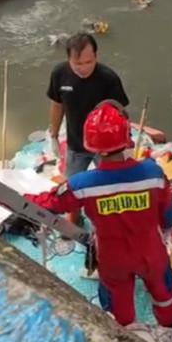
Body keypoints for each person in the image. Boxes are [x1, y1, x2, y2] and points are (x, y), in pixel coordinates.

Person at [24, 101, 172, 328]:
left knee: (119, 305)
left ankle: (128, 334)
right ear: (127, 138)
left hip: (112, 255)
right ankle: (169, 329)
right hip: (150, 250)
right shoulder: (152, 173)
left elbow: (48, 204)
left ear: (91, 146)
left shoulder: (81, 184)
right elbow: (166, 214)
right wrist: (165, 229)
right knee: (165, 294)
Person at [46, 32, 130, 224]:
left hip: (106, 149)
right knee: (72, 186)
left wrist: (125, 143)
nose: (84, 68)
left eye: (88, 62)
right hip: (76, 144)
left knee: (109, 187)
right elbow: (56, 104)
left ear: (96, 57)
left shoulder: (108, 78)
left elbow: (120, 113)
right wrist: (53, 133)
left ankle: (106, 221)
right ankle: (75, 218)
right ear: (68, 59)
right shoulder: (59, 74)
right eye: (78, 63)